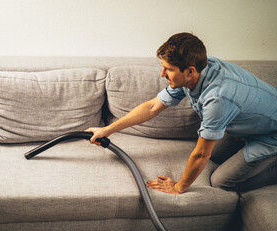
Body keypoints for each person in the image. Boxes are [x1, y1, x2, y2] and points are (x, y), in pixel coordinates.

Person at [87, 32, 277, 194]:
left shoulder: (218, 99)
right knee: (218, 156)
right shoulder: (197, 72)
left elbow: (202, 154)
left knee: (221, 182)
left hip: (270, 136)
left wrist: (178, 187)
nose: (162, 74)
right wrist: (108, 130)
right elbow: (153, 106)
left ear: (190, 71)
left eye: (168, 69)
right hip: (251, 126)